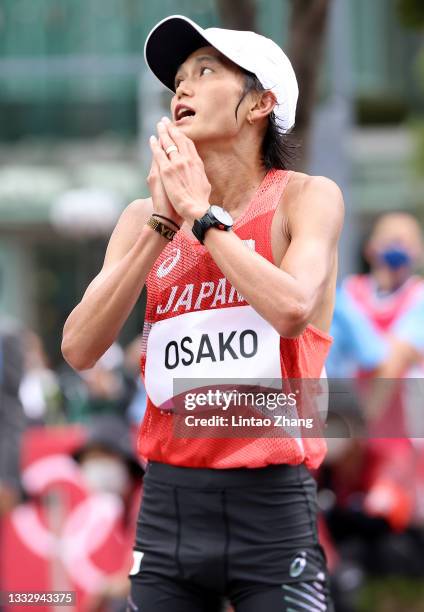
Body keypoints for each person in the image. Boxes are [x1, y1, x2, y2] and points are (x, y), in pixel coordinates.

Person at [62, 15, 343, 612]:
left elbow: (292, 308)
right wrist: (162, 227)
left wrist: (203, 217)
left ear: (259, 104)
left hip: (272, 506)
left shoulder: (306, 196)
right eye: (178, 79)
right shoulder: (146, 217)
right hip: (168, 507)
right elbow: (79, 349)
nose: (181, 89)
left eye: (205, 72)